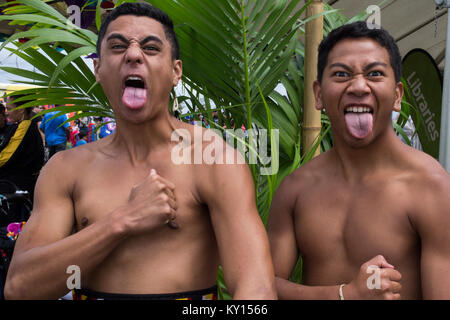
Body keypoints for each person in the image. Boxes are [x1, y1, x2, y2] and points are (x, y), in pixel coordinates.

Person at [4, 3, 276, 300]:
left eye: (151, 48)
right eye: (118, 46)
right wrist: (121, 222)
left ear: (176, 72)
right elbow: (21, 288)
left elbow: (256, 289)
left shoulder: (214, 159)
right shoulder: (66, 168)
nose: (133, 55)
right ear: (98, 69)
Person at [267, 22, 450, 300]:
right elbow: (261, 288)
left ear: (398, 95)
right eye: (341, 74)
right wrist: (344, 295)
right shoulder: (296, 190)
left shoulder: (430, 187)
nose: (358, 86)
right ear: (318, 94)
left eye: (374, 74)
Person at [0, 95, 45, 206]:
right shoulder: (23, 126)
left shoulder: (24, 127)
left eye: (10, 109)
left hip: (17, 188)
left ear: (21, 109)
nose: (7, 113)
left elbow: (5, 157)